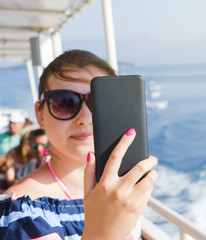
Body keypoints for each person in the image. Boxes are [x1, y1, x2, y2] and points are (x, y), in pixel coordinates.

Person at [0, 50, 158, 239]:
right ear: (40, 114)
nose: (85, 118)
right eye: (64, 102)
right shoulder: (23, 213)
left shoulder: (122, 188)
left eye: (99, 102)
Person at [0, 112, 26, 189]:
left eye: (14, 123)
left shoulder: (26, 135)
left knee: (10, 161)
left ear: (22, 124)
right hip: (5, 165)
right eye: (10, 123)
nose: (11, 125)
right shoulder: (2, 136)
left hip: (20, 164)